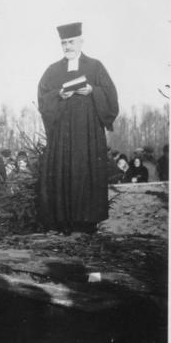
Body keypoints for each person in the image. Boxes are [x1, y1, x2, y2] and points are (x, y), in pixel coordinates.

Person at [38, 22, 119, 235]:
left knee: (86, 171)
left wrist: (93, 89)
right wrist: (58, 95)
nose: (67, 46)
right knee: (63, 171)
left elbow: (110, 95)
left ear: (81, 41)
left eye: (71, 42)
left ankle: (87, 222)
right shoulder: (53, 69)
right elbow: (43, 97)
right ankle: (64, 221)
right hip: (62, 134)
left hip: (87, 133)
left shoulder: (94, 66)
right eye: (63, 42)